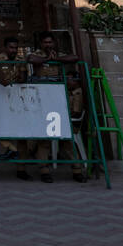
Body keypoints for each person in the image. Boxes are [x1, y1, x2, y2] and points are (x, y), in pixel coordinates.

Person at [28, 34, 86, 183]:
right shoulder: (37, 54)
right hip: (42, 101)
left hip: (58, 100)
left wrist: (56, 59)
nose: (48, 45)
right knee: (45, 139)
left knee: (65, 136)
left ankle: (77, 170)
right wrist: (47, 59)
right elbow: (31, 60)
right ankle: (44, 170)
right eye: (45, 42)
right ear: (41, 43)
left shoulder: (58, 55)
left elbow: (74, 58)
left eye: (50, 42)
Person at [0, 36, 30, 174]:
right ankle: (12, 149)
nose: (13, 50)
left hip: (18, 99)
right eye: (11, 47)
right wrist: (0, 80)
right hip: (1, 97)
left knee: (22, 131)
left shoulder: (20, 60)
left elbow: (24, 77)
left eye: (15, 47)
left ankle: (22, 167)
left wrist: (21, 78)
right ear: (5, 48)